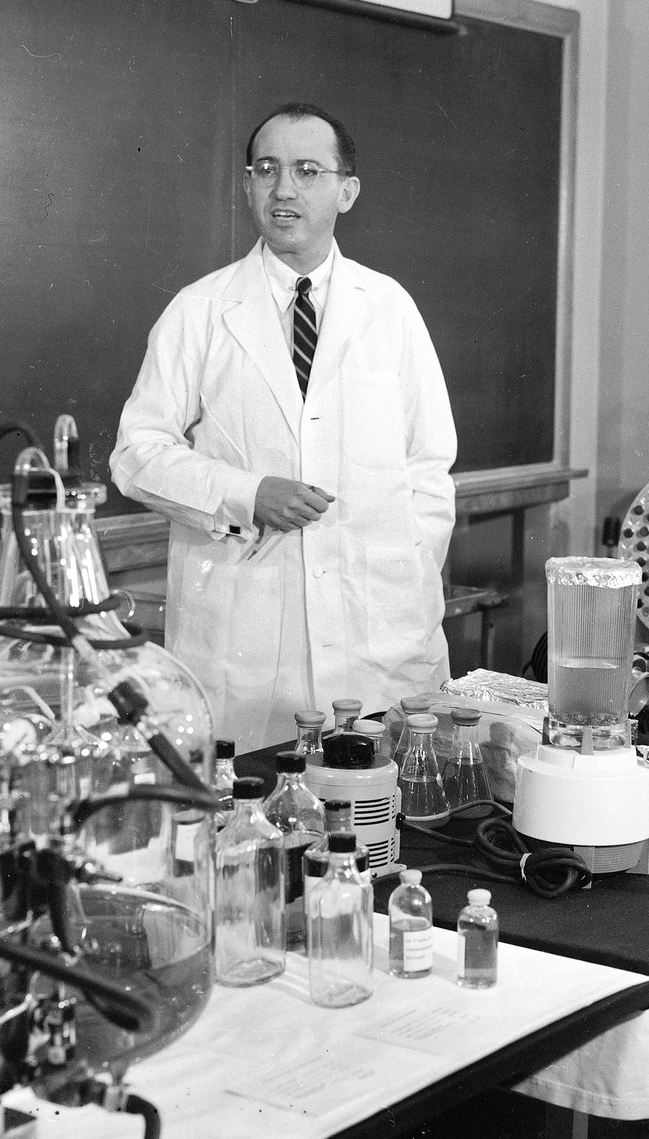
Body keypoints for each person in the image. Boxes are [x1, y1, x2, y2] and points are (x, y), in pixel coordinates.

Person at [111, 103, 457, 752]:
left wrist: (407, 577)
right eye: (266, 169)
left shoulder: (389, 309)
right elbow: (137, 453)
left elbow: (429, 468)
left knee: (383, 797)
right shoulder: (200, 310)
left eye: (307, 170)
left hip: (382, 641)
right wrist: (246, 494)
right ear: (247, 186)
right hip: (244, 645)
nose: (284, 189)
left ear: (346, 191)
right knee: (261, 800)